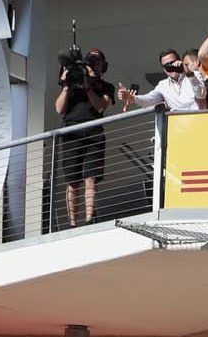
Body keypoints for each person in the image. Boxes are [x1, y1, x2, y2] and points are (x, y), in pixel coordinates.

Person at [55, 48, 116, 227]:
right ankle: (72, 223)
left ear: (103, 66)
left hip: (94, 134)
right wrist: (66, 86)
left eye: (96, 63)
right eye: (91, 62)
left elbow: (100, 107)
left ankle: (89, 220)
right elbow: (59, 109)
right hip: (71, 133)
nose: (93, 66)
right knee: (73, 182)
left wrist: (88, 87)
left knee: (91, 179)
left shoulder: (106, 87)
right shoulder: (72, 84)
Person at [135, 48, 205, 111]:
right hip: (179, 123)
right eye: (166, 65)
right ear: (164, 70)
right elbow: (149, 99)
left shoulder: (194, 75)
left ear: (180, 61)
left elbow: (201, 94)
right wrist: (133, 98)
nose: (171, 66)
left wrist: (189, 74)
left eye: (172, 63)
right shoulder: (163, 85)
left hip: (198, 120)